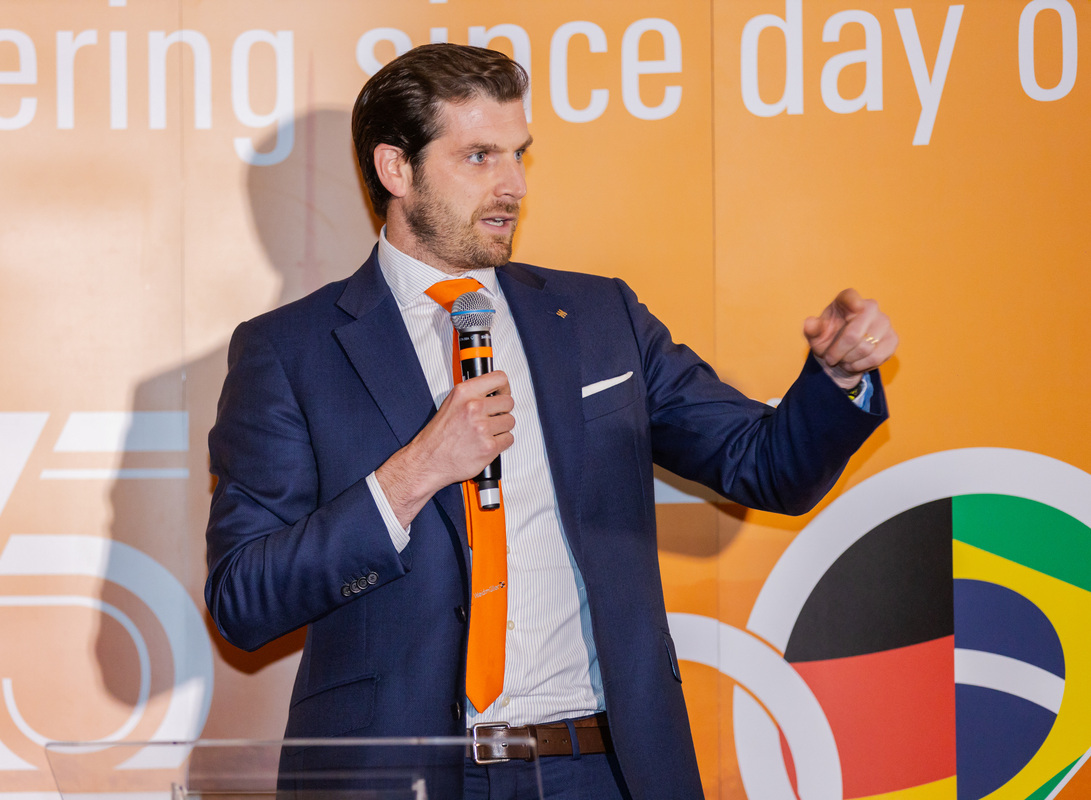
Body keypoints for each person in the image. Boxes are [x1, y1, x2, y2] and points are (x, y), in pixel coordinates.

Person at [204, 43, 895, 800]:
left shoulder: (600, 317)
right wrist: (415, 472)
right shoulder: (290, 352)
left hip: (601, 769)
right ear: (396, 169)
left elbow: (765, 467)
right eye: (480, 157)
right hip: (404, 778)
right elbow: (243, 599)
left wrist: (838, 379)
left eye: (519, 154)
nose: (515, 185)